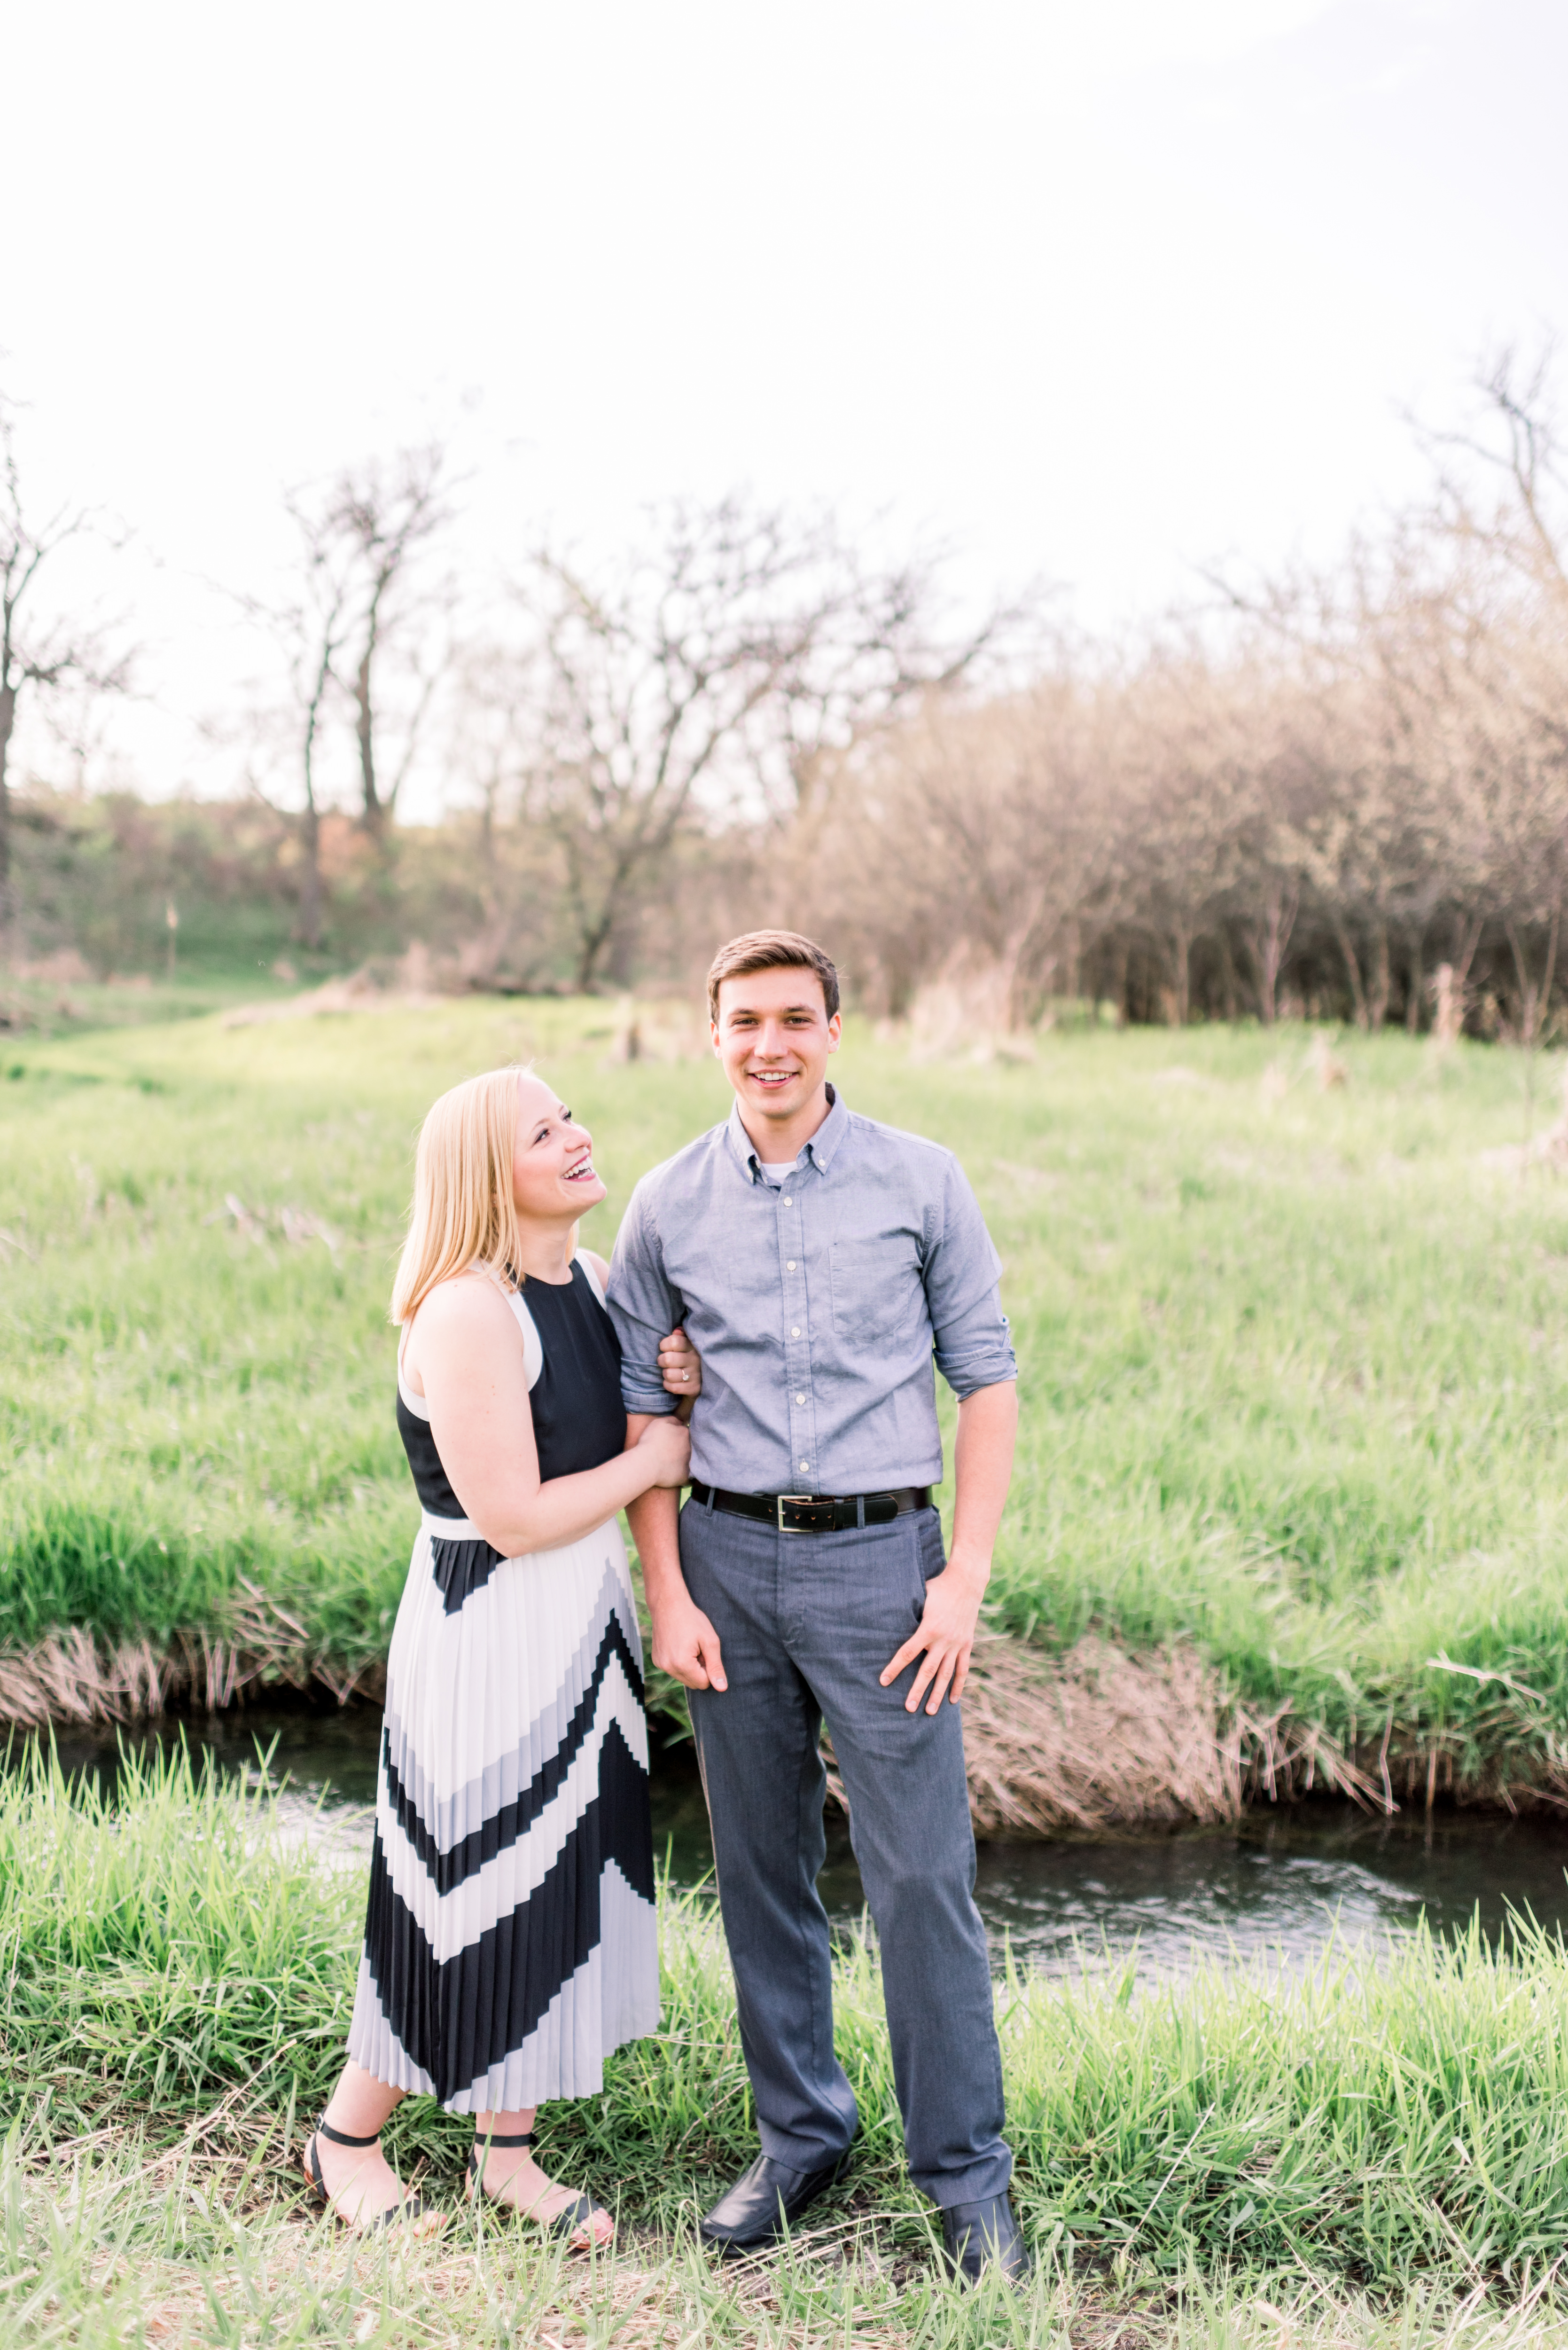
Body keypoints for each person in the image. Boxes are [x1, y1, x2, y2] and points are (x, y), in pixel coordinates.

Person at [608, 930, 1028, 2287]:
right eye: (744, 1021)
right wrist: (666, 1589)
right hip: (726, 1567)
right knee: (760, 1877)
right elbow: (645, 1410)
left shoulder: (924, 1181)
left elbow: (989, 1386)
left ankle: (965, 2180)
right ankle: (801, 2138)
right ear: (711, 1033)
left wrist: (959, 1578)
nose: (768, 1044)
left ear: (837, 1032)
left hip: (884, 1572)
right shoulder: (666, 1205)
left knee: (923, 1884)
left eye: (794, 1018)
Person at [302, 1064, 699, 2244]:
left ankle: (506, 2156)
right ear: (491, 1170)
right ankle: (347, 2139)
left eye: (569, 1114)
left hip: (584, 1619)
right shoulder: (467, 1308)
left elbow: (635, 1402)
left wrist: (670, 1383)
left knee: (550, 1882)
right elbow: (513, 1515)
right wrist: (652, 1457)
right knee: (449, 1886)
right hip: (486, 1622)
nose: (578, 1137)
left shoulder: (594, 1277)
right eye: (545, 1130)